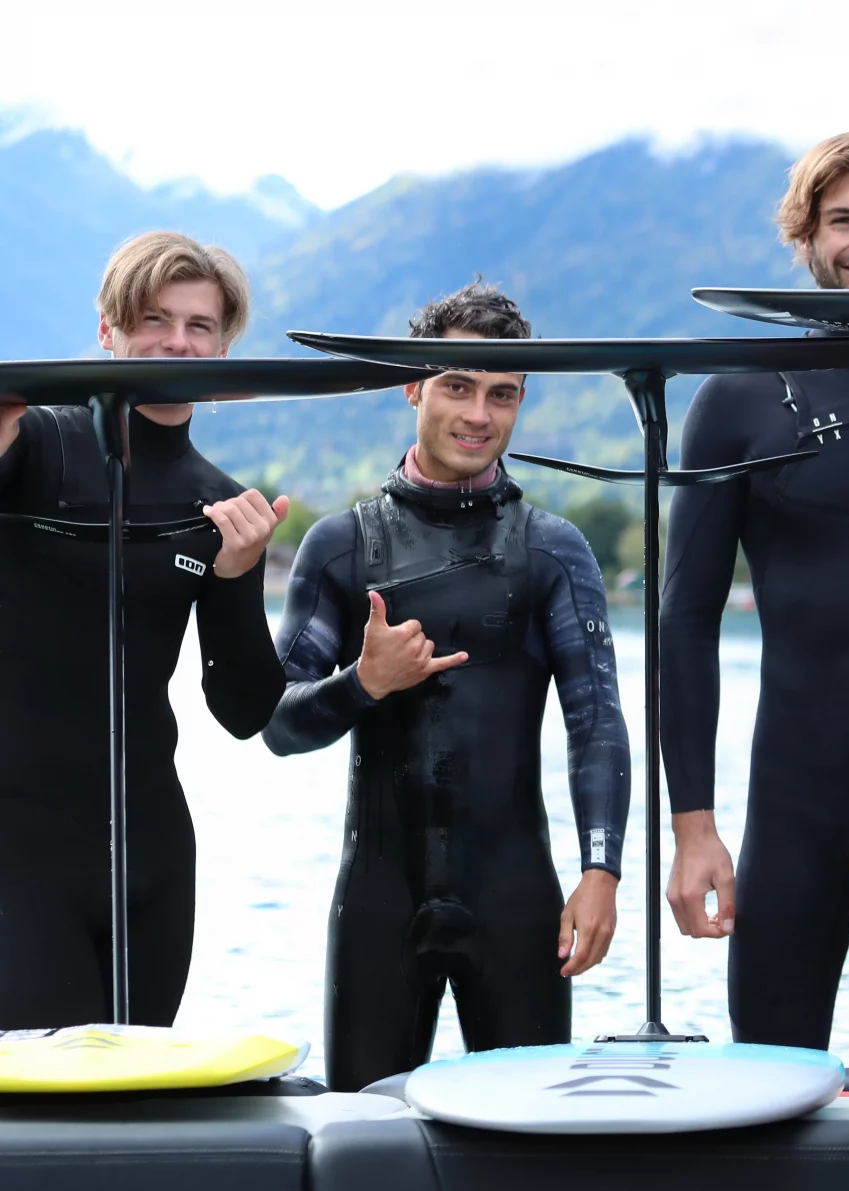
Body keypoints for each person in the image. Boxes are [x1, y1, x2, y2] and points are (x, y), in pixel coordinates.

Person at [263, 281, 631, 1091]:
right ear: (413, 388)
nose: (479, 414)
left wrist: (601, 873)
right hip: (378, 904)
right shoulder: (339, 547)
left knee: (532, 1148)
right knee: (359, 1136)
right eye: (457, 386)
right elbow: (279, 726)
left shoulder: (553, 551)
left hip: (516, 899)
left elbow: (597, 721)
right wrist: (364, 681)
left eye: (503, 394)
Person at [660, 132, 849, 1052]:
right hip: (798, 800)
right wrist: (695, 826)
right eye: (846, 221)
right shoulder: (739, 398)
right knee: (770, 1079)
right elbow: (684, 620)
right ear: (806, 237)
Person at [0, 231, 287, 1028]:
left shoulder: (220, 503)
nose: (176, 342)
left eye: (200, 326)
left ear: (224, 349)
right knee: (40, 1118)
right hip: (19, 854)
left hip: (153, 856)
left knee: (142, 1112)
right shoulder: (32, 444)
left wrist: (240, 576)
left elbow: (245, 711)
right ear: (108, 332)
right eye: (154, 319)